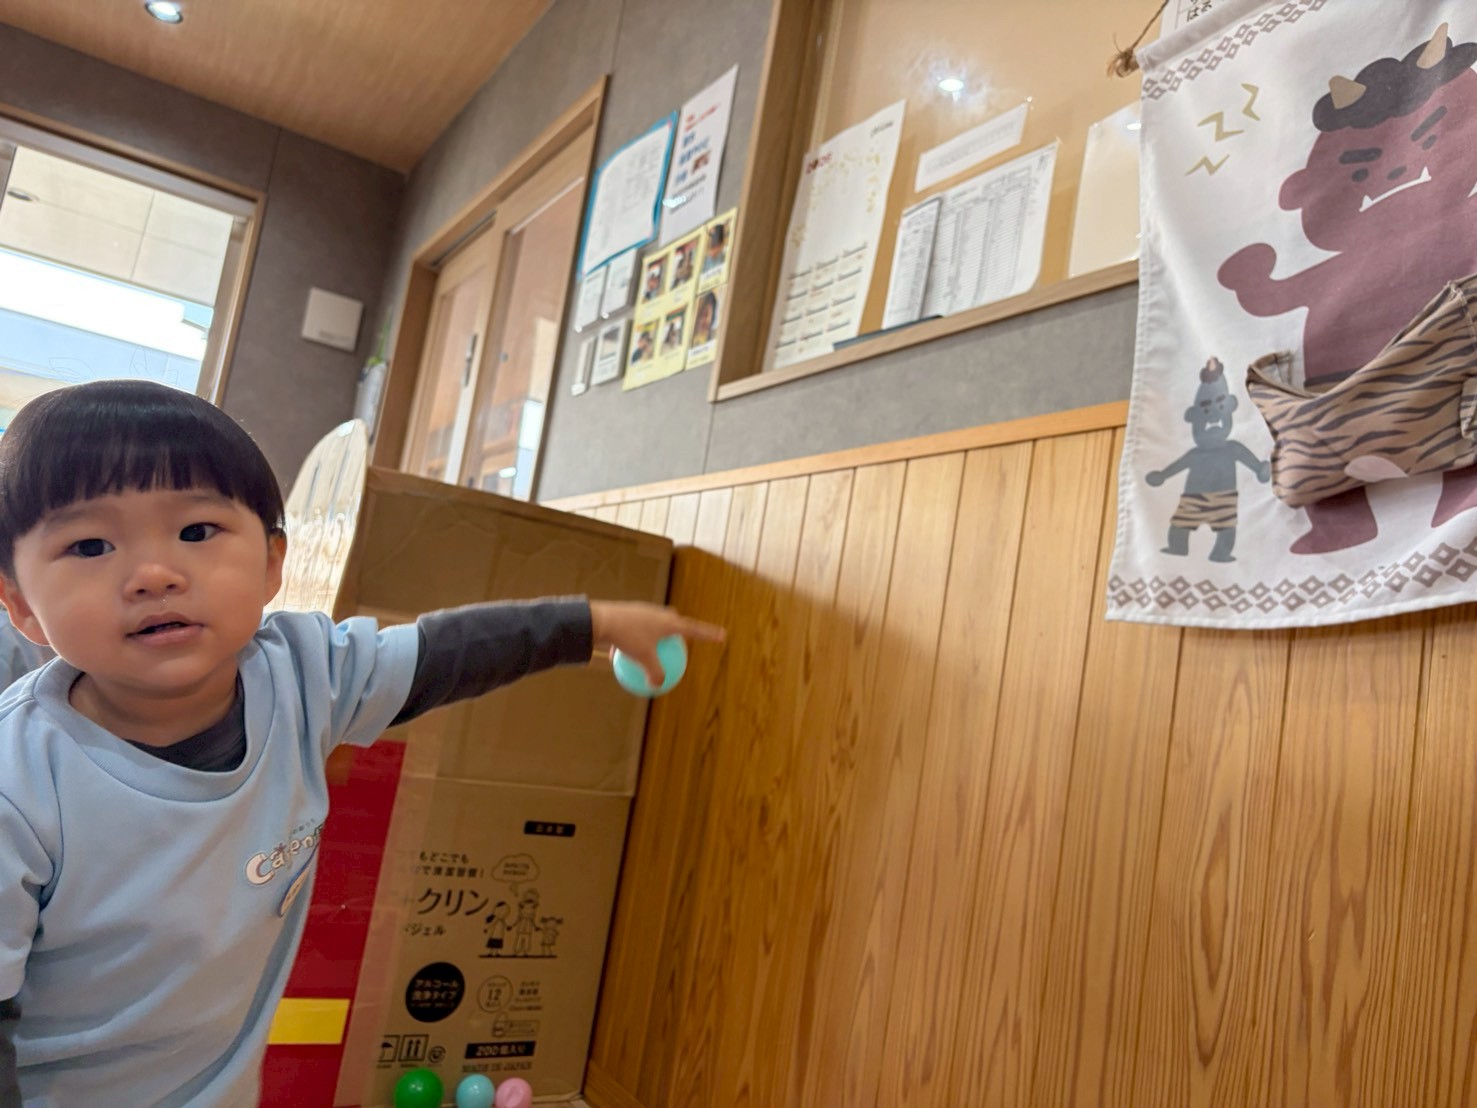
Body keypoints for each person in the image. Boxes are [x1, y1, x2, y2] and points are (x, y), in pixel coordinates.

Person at [0, 380, 723, 1106]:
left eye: (196, 531)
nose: (154, 575)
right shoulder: (18, 784)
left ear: (272, 564)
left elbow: (442, 655)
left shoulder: (302, 673)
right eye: (89, 545)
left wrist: (592, 624)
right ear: (22, 604)